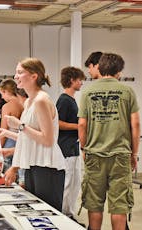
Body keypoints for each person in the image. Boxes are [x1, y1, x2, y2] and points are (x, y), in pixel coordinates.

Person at [0, 58, 66, 212]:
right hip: (34, 165)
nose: (16, 76)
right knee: (34, 213)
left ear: (34, 76)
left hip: (47, 166)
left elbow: (47, 139)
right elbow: (31, 137)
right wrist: (7, 132)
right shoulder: (29, 102)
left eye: (20, 72)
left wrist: (19, 125)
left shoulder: (41, 100)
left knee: (48, 215)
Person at [78, 53, 140, 230]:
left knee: (94, 204)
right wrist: (134, 153)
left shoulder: (87, 92)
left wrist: (84, 148)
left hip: (94, 155)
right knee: (119, 206)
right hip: (120, 154)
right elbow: (135, 124)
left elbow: (82, 124)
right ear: (119, 71)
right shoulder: (127, 91)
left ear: (100, 67)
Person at [56, 67, 85, 220]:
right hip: (65, 147)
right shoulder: (64, 100)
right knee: (67, 183)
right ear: (72, 80)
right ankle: (64, 215)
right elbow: (58, 123)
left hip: (73, 146)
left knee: (75, 183)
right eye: (79, 80)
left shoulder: (71, 100)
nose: (81, 83)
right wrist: (79, 126)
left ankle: (69, 214)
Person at [0, 79, 24, 172]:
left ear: (5, 91)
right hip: (22, 143)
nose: (2, 97)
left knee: (8, 176)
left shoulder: (7, 106)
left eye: (1, 94)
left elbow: (4, 131)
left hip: (9, 144)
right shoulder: (23, 104)